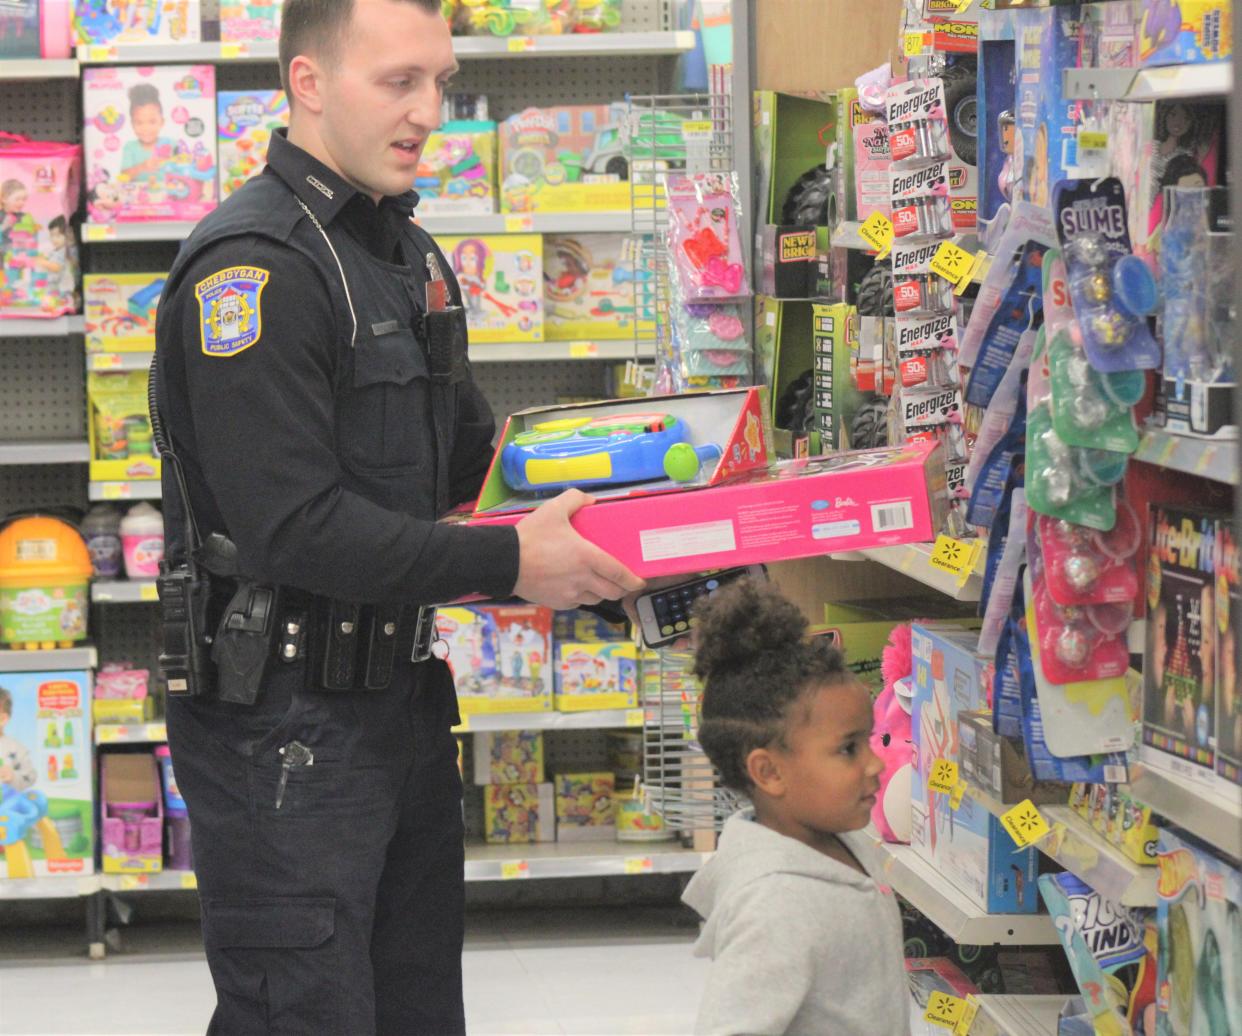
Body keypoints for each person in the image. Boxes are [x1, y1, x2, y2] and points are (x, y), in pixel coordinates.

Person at [151, 1, 643, 1033]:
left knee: (418, 1010)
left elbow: (473, 465)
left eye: (442, 82)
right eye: (399, 82)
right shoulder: (257, 270)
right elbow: (295, 529)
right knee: (307, 1014)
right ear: (310, 84)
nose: (430, 113)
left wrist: (641, 518)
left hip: (401, 707)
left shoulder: (408, 255)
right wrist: (514, 559)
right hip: (282, 732)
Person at [681, 580, 910, 1036]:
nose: (874, 763)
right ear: (768, 772)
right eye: (847, 750)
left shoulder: (836, 842)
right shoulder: (773, 906)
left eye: (867, 740)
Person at [0, 687, 36, 792]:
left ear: (2, 719)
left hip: (6, 803)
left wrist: (13, 776)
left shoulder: (15, 748)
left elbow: (30, 776)